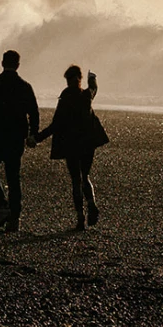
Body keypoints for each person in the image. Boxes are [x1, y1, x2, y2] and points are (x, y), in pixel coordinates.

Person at [34, 65, 109, 230]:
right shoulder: (86, 95)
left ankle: (80, 218)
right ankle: (91, 203)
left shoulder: (66, 96)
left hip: (71, 143)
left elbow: (56, 124)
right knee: (85, 175)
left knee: (76, 179)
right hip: (88, 142)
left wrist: (38, 138)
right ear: (79, 79)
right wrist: (92, 77)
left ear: (69, 79)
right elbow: (94, 88)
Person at [0, 49, 40, 232]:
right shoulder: (24, 86)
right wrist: (32, 133)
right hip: (15, 137)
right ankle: (14, 219)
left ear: (2, 63)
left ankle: (2, 207)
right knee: (13, 177)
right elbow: (33, 112)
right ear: (18, 65)